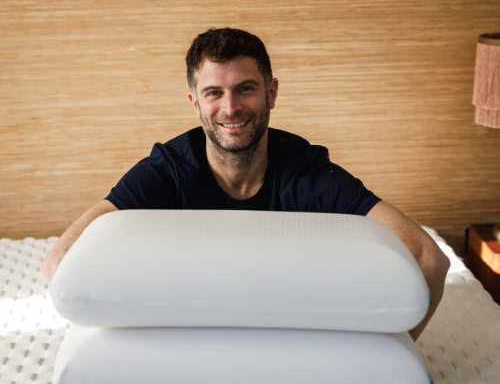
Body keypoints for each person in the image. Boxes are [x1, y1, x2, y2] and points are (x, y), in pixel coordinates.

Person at [41, 27, 450, 340]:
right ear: (195, 102)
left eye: (246, 89)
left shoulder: (307, 174)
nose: (230, 107)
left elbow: (431, 259)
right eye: (214, 92)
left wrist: (399, 353)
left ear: (272, 93)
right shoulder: (167, 171)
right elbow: (59, 260)